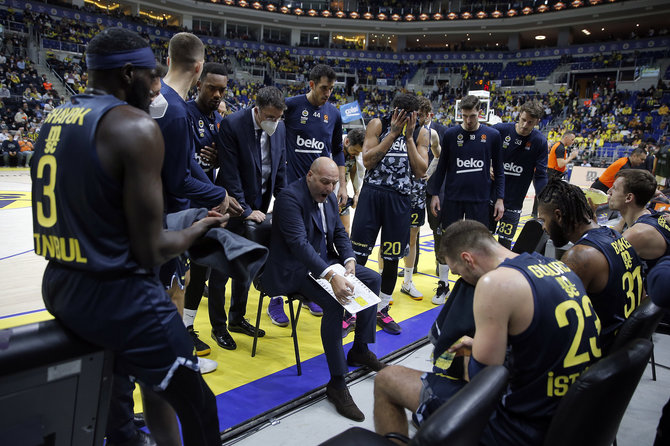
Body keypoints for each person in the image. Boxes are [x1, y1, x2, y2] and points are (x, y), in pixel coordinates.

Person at [30, 27, 223, 446]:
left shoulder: (54, 118)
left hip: (61, 286)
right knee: (200, 407)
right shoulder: (133, 126)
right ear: (128, 73)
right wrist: (197, 228)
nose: (157, 87)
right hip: (120, 296)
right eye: (152, 77)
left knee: (116, 412)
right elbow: (152, 249)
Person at [373, 220, 601, 445]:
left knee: (387, 379)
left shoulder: (495, 282)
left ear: (467, 260)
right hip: (574, 415)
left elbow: (482, 383)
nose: (461, 278)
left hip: (521, 424)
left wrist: (468, 357)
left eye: (457, 272)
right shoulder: (558, 266)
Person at [261, 157, 384, 421]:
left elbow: (339, 232)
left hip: (325, 261)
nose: (329, 188)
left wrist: (350, 260)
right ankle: (337, 384)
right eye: (325, 182)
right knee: (334, 302)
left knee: (372, 279)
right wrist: (331, 276)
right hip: (294, 268)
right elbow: (298, 245)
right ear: (309, 176)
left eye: (333, 183)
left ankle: (359, 349)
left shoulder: (328, 197)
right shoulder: (289, 198)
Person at [210, 86, 287, 341]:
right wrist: (245, 210)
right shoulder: (233, 124)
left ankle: (237, 318)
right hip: (231, 207)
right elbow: (230, 174)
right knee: (222, 270)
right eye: (270, 117)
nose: (274, 122)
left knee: (246, 268)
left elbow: (280, 173)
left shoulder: (280, 129)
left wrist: (286, 204)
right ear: (257, 110)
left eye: (278, 117)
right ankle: (218, 327)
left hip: (261, 208)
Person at [350, 93, 429, 334]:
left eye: (409, 116)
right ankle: (351, 311)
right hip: (372, 195)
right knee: (358, 254)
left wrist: (407, 138)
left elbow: (420, 170)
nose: (403, 119)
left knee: (392, 256)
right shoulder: (378, 124)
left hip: (400, 198)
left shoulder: (420, 133)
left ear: (415, 116)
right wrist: (392, 134)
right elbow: (367, 160)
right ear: (393, 110)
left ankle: (381, 310)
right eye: (399, 114)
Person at [537, 178, 644, 350]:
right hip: (627, 346)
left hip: (600, 351)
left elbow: (553, 319)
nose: (543, 227)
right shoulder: (614, 235)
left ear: (558, 216)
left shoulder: (580, 256)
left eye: (544, 220)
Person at [280, 63, 347, 319]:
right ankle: (277, 298)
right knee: (289, 245)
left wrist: (340, 184)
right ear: (311, 85)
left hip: (321, 192)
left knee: (317, 242)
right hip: (292, 191)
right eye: (323, 88)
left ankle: (311, 293)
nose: (328, 93)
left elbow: (337, 149)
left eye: (331, 88)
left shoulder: (335, 113)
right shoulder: (292, 106)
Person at [427, 95, 504, 305]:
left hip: (479, 199)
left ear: (480, 112)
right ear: (460, 113)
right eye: (464, 116)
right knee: (446, 240)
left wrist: (500, 199)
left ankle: (477, 284)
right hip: (452, 197)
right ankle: (443, 284)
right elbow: (441, 167)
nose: (468, 121)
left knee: (478, 243)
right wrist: (435, 193)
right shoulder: (452, 134)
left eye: (472, 116)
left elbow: (499, 169)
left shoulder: (493, 135)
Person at [181, 62, 228, 356]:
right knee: (174, 272)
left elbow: (214, 163)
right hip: (181, 205)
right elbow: (186, 164)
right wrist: (217, 193)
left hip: (205, 205)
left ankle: (186, 328)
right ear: (199, 83)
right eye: (212, 87)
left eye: (222, 89)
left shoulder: (216, 121)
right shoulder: (184, 113)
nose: (217, 94)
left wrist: (220, 154)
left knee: (200, 271)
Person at [398, 96, 441, 300]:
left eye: (422, 116)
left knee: (413, 235)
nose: (419, 119)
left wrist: (429, 173)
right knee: (389, 232)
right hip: (396, 188)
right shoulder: (398, 129)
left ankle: (407, 281)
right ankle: (381, 279)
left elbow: (439, 155)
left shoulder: (431, 134)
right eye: (417, 115)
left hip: (416, 189)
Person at [490, 100, 548, 249]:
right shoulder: (499, 131)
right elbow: (479, 150)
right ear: (519, 115)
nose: (524, 125)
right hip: (489, 197)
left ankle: (503, 272)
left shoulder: (540, 142)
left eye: (530, 122)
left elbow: (541, 176)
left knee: (504, 243)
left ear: (537, 122)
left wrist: (544, 201)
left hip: (514, 202)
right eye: (523, 120)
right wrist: (487, 165)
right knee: (484, 239)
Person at [608, 169, 670, 270]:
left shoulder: (638, 233)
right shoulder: (648, 213)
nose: (609, 192)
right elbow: (616, 230)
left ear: (628, 198)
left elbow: (600, 256)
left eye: (614, 188)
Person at [338, 128, 366, 235]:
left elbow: (355, 173)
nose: (357, 154)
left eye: (359, 152)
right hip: (327, 195)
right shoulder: (333, 149)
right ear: (346, 142)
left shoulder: (354, 155)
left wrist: (356, 194)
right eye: (355, 151)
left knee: (345, 230)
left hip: (343, 195)